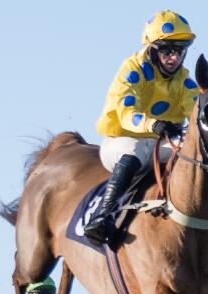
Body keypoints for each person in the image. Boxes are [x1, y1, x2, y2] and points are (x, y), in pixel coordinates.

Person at [85, 10, 201, 245]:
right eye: (167, 50)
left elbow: (195, 109)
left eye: (179, 50)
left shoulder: (184, 80)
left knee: (198, 157)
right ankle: (101, 217)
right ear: (152, 49)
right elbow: (126, 112)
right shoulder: (132, 70)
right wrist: (154, 124)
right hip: (123, 140)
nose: (174, 58)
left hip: (162, 143)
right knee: (134, 152)